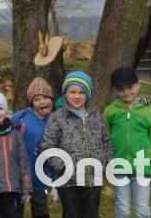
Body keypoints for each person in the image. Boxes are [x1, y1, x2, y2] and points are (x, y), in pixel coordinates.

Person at [41, 71, 112, 218]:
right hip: (68, 181)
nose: (77, 96)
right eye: (72, 92)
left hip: (93, 179)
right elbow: (48, 146)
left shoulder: (96, 117)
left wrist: (104, 163)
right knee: (71, 214)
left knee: (91, 214)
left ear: (87, 94)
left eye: (81, 92)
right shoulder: (57, 117)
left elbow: (106, 142)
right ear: (65, 94)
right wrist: (62, 166)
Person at [104, 66, 151, 218]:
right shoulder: (110, 111)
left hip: (142, 168)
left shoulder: (147, 112)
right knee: (122, 209)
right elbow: (104, 138)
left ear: (138, 85)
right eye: (121, 89)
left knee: (142, 209)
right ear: (115, 90)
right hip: (119, 168)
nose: (126, 92)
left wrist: (149, 156)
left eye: (129, 87)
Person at [10, 77, 55, 218]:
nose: (42, 102)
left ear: (52, 99)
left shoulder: (55, 122)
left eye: (46, 97)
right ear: (31, 103)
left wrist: (54, 181)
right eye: (37, 99)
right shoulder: (21, 117)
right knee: (15, 211)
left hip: (40, 178)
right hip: (18, 177)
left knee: (41, 211)